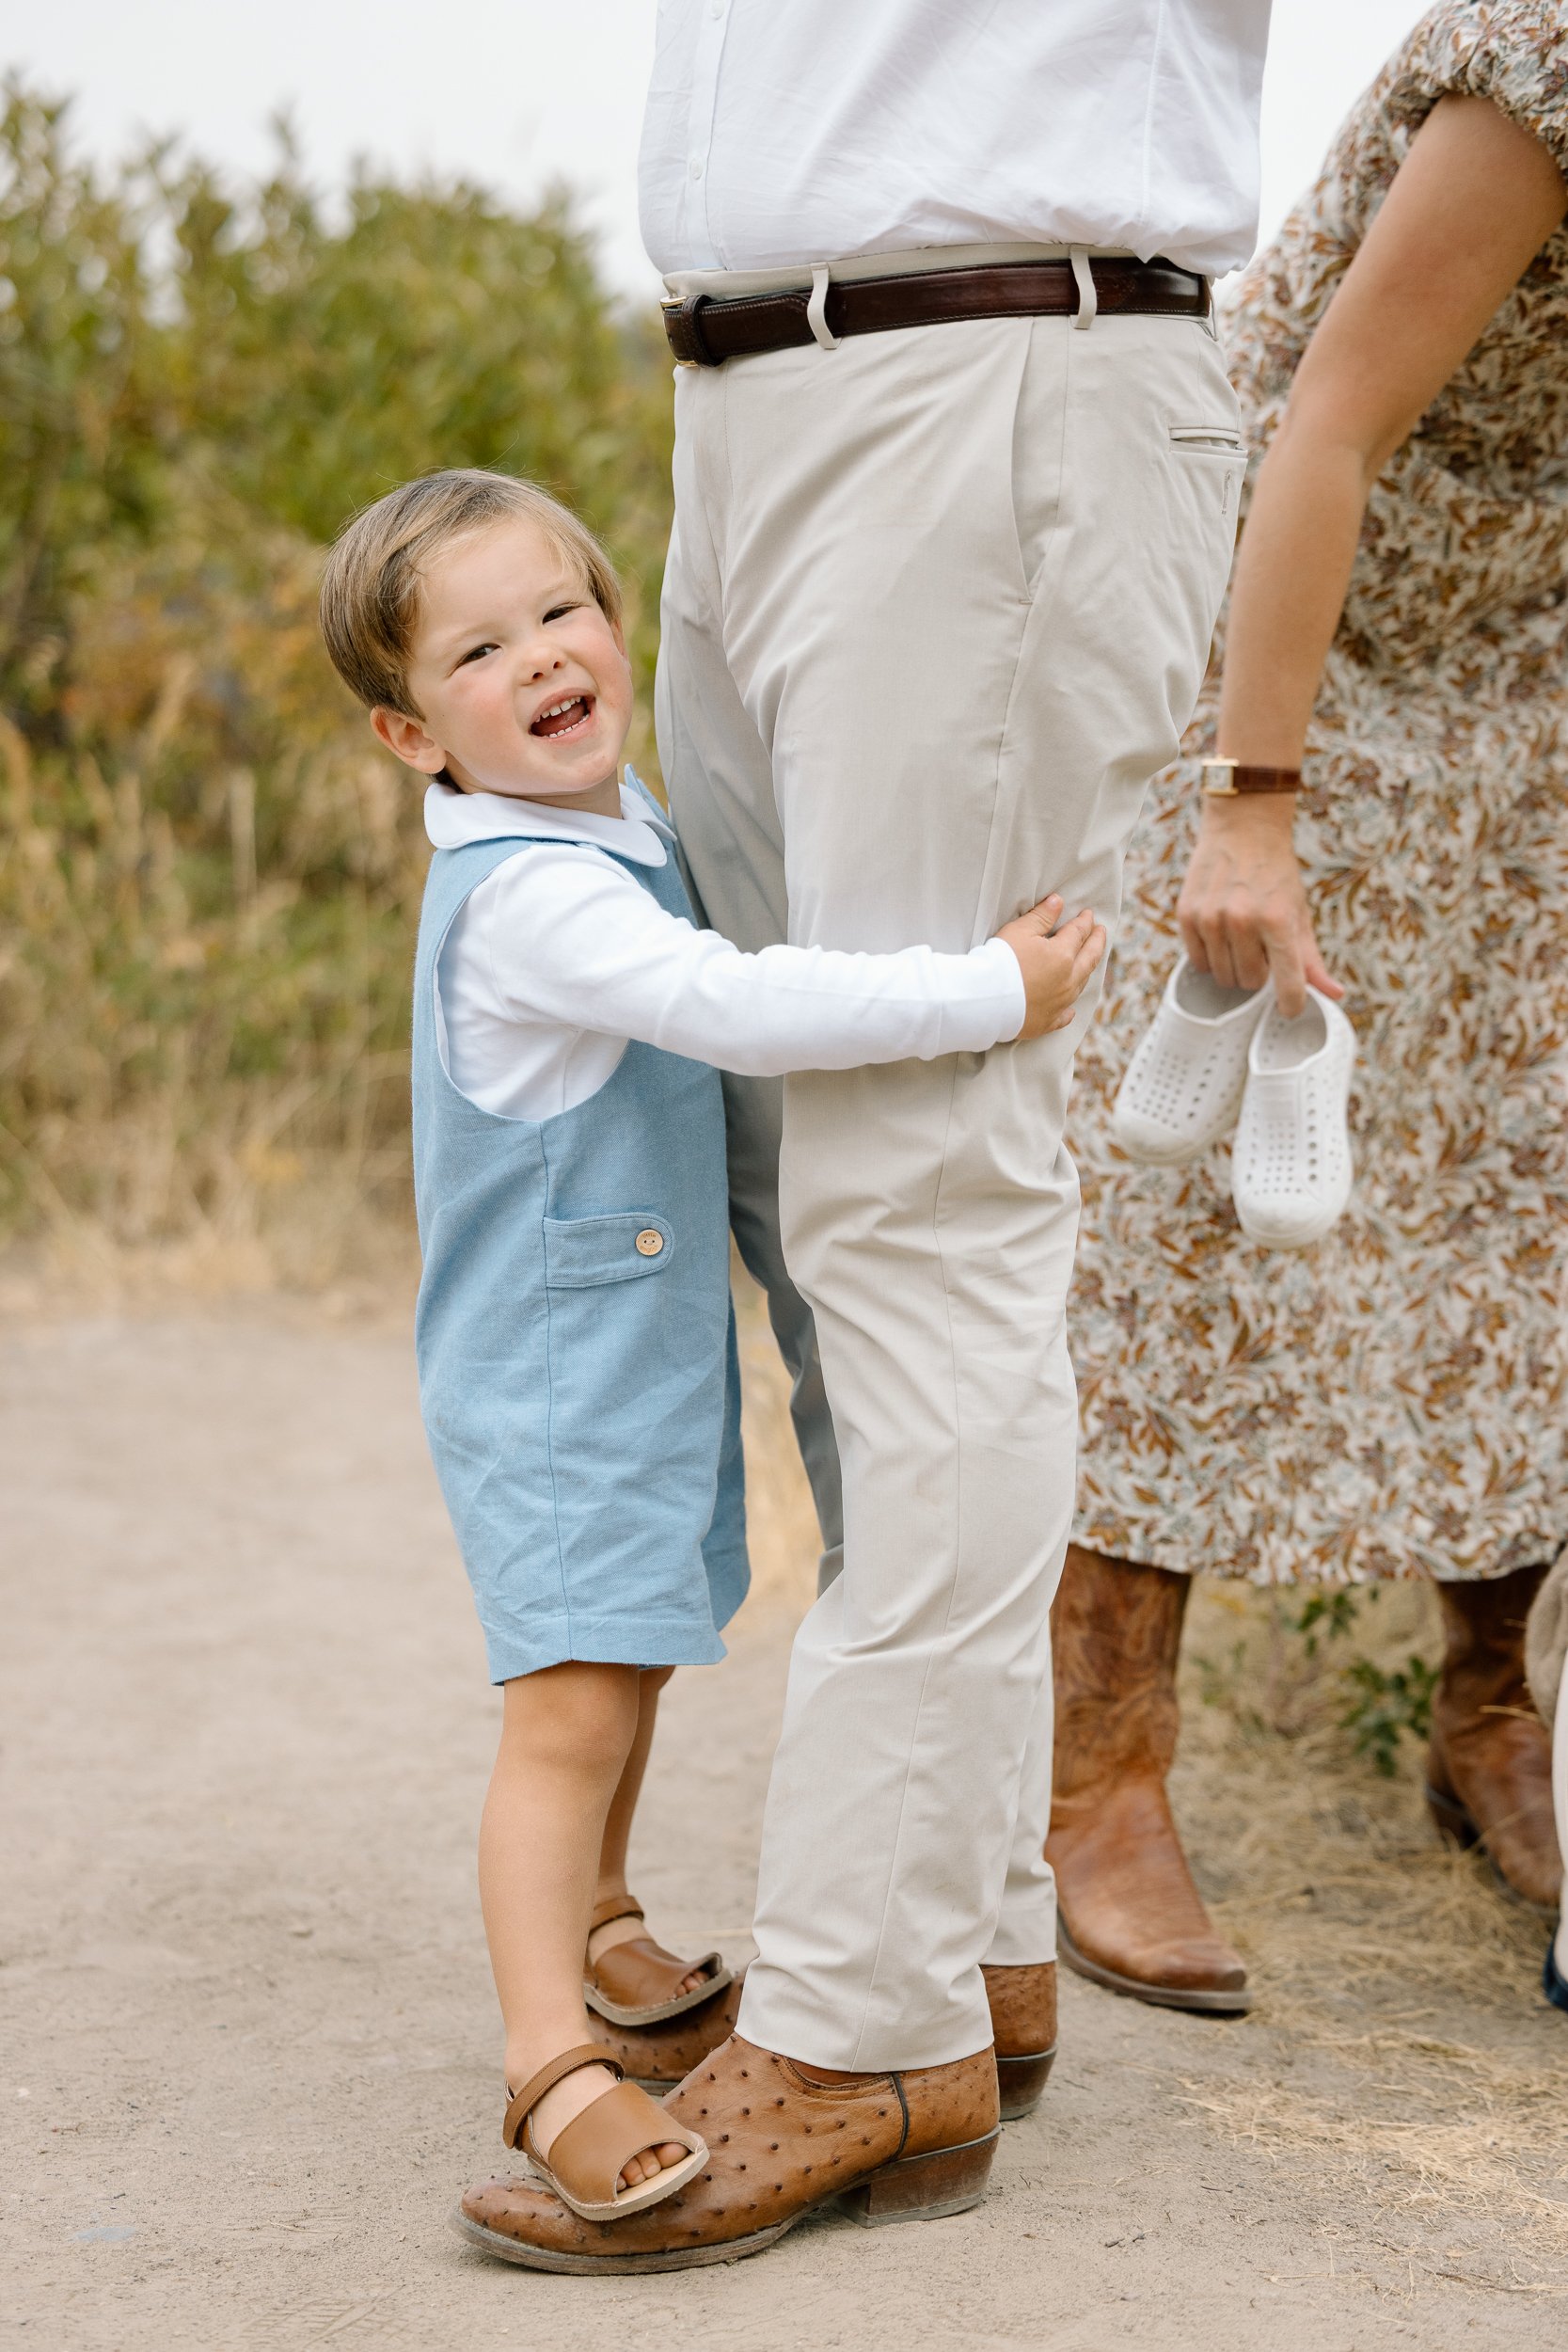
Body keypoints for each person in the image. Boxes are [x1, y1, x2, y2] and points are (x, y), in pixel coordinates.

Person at [466, 0, 1273, 2272]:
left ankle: (866, 2017)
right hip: (752, 396)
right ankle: (972, 1919)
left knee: (924, 1195)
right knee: (792, 1180)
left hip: (998, 364)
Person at [317, 468, 1105, 2232]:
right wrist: (986, 992)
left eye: (563, 612)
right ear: (406, 733)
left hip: (623, 1366)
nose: (543, 658)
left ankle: (602, 1938)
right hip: (553, 1384)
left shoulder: (605, 819)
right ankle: (550, 2066)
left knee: (636, 1668)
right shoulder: (532, 893)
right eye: (477, 652)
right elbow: (730, 1003)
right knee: (571, 1710)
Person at [1056, 0, 1568, 2018]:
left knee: (1528, 1171)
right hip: (1300, 621)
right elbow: (1327, 422)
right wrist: (1251, 807)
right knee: (1203, 1195)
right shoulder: (1548, 50)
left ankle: (1485, 1708)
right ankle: (1101, 1771)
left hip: (1523, 654)